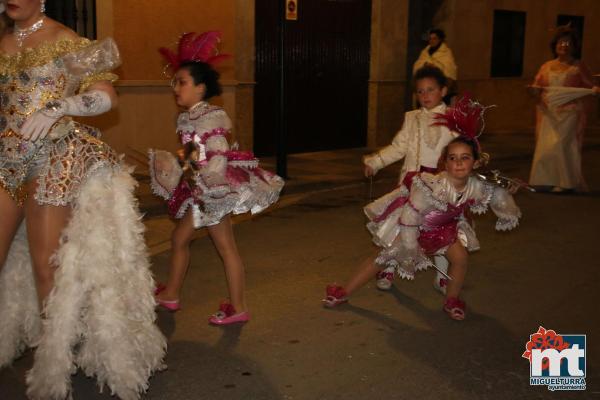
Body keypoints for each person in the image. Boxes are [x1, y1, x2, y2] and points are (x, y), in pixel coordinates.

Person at [0, 1, 166, 399]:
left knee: (46, 266)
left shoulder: (65, 39)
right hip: (4, 161)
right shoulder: (2, 41)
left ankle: (52, 362)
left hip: (51, 162)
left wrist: (62, 106)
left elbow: (105, 95)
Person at [324, 98, 522, 321]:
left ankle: (452, 299)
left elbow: (496, 196)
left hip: (446, 232)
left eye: (465, 158)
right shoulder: (432, 186)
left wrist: (508, 192)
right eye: (452, 158)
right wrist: (410, 247)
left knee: (461, 259)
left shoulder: (476, 185)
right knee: (380, 258)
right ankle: (344, 292)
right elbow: (410, 215)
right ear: (444, 163)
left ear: (475, 163)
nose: (458, 163)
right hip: (415, 230)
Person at [150, 32, 284, 325]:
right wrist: (178, 165)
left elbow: (218, 155)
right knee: (180, 238)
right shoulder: (186, 118)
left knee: (224, 248)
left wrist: (208, 187)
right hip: (200, 188)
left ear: (200, 87)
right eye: (176, 82)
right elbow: (191, 153)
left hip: (212, 192)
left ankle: (238, 307)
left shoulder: (212, 116)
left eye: (182, 82)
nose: (176, 88)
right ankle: (172, 293)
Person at [363, 65, 457, 293]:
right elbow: (399, 147)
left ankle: (442, 276)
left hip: (440, 187)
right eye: (420, 91)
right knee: (402, 228)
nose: (425, 96)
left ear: (443, 91)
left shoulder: (454, 120)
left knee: (439, 231)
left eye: (430, 90)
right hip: (410, 184)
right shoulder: (412, 118)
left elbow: (463, 150)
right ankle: (389, 267)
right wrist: (375, 162)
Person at [529, 25, 600, 193]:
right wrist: (533, 90)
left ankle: (565, 181)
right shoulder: (546, 66)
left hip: (569, 113)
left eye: (568, 43)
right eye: (561, 42)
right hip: (549, 113)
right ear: (555, 46)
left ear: (574, 46)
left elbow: (590, 85)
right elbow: (538, 85)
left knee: (562, 145)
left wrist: (595, 90)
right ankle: (544, 179)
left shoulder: (578, 66)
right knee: (546, 147)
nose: (564, 45)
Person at [413, 28, 458, 105]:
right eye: (430, 38)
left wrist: (435, 66)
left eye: (434, 38)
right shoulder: (425, 52)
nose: (432, 41)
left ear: (440, 39)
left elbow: (450, 69)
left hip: (439, 86)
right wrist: (424, 65)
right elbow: (417, 65)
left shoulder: (446, 52)